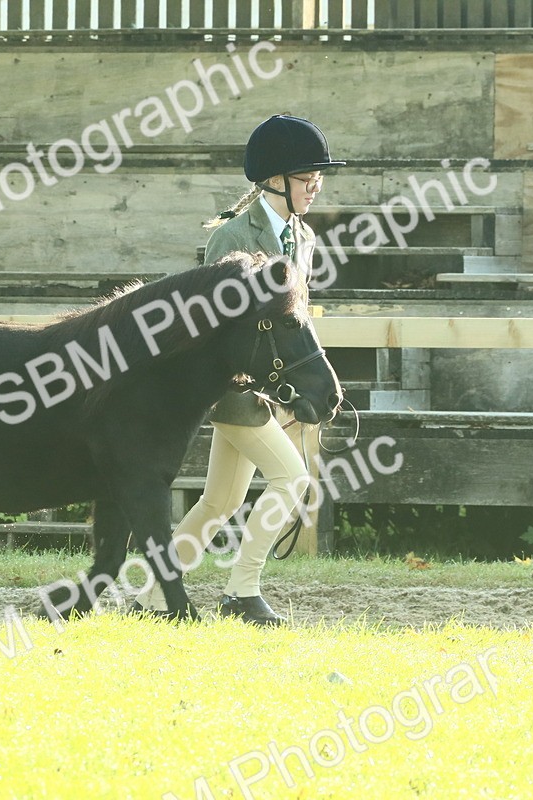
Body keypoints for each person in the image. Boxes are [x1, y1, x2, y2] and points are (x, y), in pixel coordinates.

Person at [133, 115, 345, 626]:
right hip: (231, 389)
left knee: (219, 502)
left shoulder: (304, 238)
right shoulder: (233, 238)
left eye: (318, 179)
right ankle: (241, 591)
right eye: (305, 179)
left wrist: (290, 394)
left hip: (267, 392)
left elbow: (291, 324)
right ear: (273, 179)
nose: (314, 188)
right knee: (291, 479)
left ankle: (152, 597)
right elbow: (220, 332)